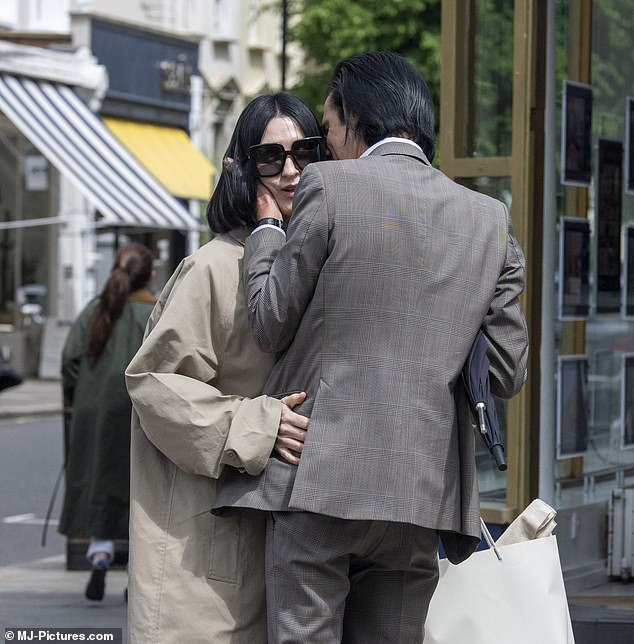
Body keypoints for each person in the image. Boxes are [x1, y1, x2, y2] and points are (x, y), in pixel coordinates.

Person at [213, 52, 530, 643]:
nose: (327, 148)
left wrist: (263, 232)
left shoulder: (329, 187)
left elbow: (269, 320)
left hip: (318, 478)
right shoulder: (490, 220)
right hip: (421, 492)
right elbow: (506, 373)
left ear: (354, 118)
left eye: (328, 131)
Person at [124, 92, 324, 644]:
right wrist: (260, 424)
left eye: (305, 153)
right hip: (203, 558)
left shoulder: (312, 261)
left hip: (279, 554)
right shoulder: (213, 268)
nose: (290, 171)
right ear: (241, 168)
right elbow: (153, 385)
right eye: (271, 158)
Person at [59, 242, 156, 602]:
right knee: (141, 491)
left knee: (100, 487)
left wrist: (83, 394)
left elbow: (70, 361)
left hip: (95, 413)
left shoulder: (95, 311)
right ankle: (136, 575)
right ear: (150, 274)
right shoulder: (156, 311)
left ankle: (99, 558)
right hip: (141, 414)